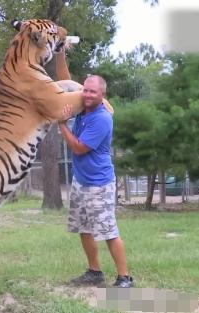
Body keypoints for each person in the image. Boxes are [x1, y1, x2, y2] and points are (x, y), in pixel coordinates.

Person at [58, 75, 134, 288]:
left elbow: (79, 148)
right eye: (86, 90)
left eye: (93, 92)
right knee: (84, 228)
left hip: (99, 184)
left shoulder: (102, 118)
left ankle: (124, 277)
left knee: (108, 231)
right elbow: (65, 79)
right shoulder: (83, 111)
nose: (88, 95)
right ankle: (94, 272)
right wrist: (61, 51)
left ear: (103, 95)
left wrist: (62, 125)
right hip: (81, 181)